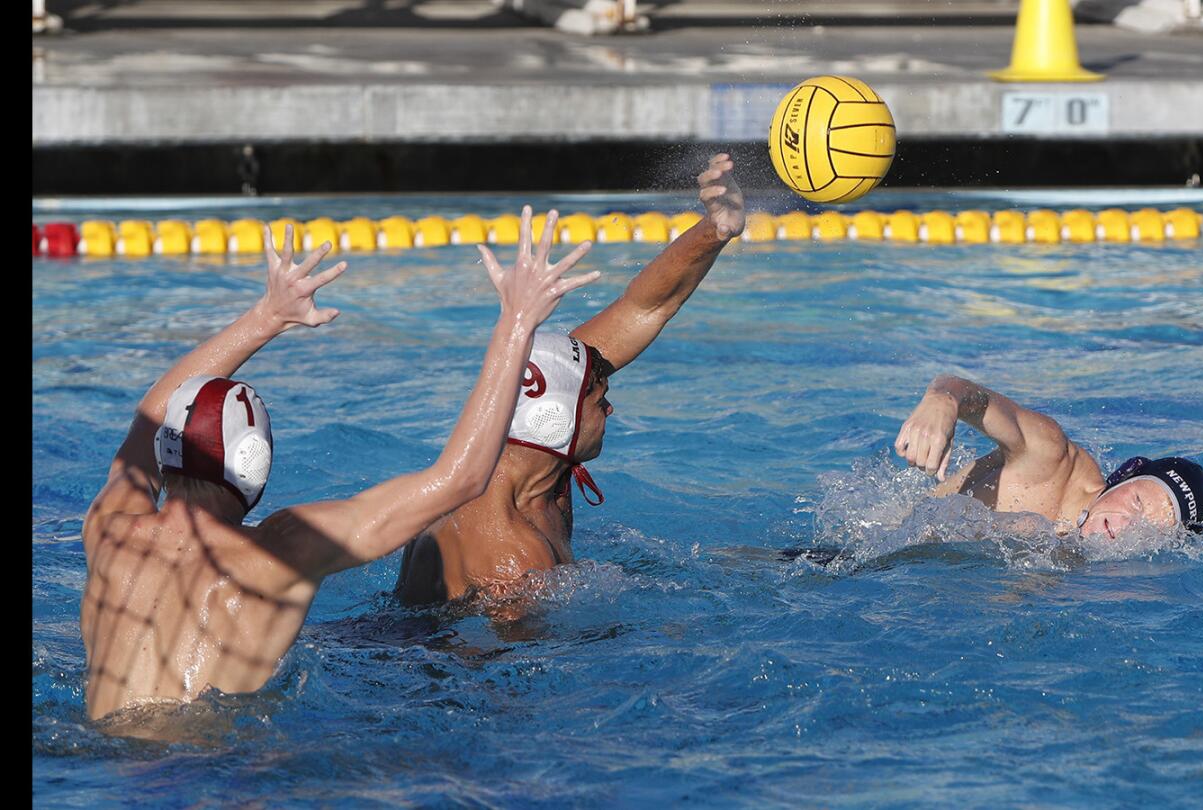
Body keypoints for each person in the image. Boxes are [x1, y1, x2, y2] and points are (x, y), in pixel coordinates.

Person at [80, 213, 597, 724]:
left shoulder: (110, 529)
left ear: (168, 453)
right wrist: (516, 322)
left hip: (107, 770)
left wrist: (264, 318)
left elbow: (151, 413)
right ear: (252, 464)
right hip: (211, 778)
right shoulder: (277, 553)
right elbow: (460, 479)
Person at [394, 153, 745, 605]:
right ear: (551, 419)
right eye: (600, 400)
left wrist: (715, 229)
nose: (611, 409)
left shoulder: (529, 455)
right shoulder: (515, 555)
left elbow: (643, 308)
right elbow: (508, 669)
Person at [893, 374, 1203, 539]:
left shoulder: (1097, 570)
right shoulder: (1050, 457)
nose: (1127, 526)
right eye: (1136, 502)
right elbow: (976, 398)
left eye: (1150, 528)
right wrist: (943, 400)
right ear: (1123, 477)